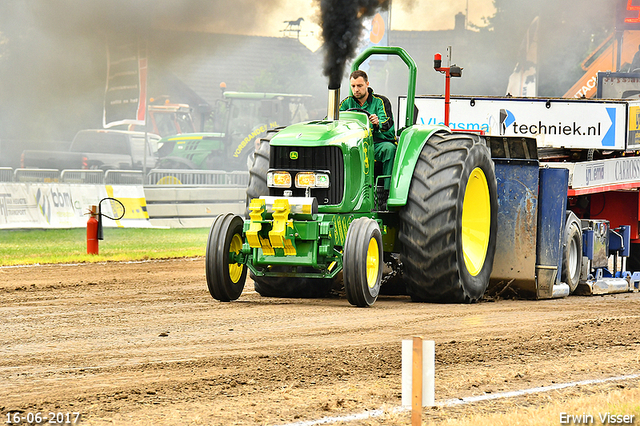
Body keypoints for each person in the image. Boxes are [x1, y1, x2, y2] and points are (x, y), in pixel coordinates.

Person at [339, 70, 396, 190]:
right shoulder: (346, 103)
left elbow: (387, 123)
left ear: (367, 84)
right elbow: (333, 119)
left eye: (359, 86)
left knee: (389, 149)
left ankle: (386, 192)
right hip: (354, 144)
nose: (356, 89)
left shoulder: (380, 101)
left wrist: (378, 122)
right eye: (353, 86)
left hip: (376, 143)